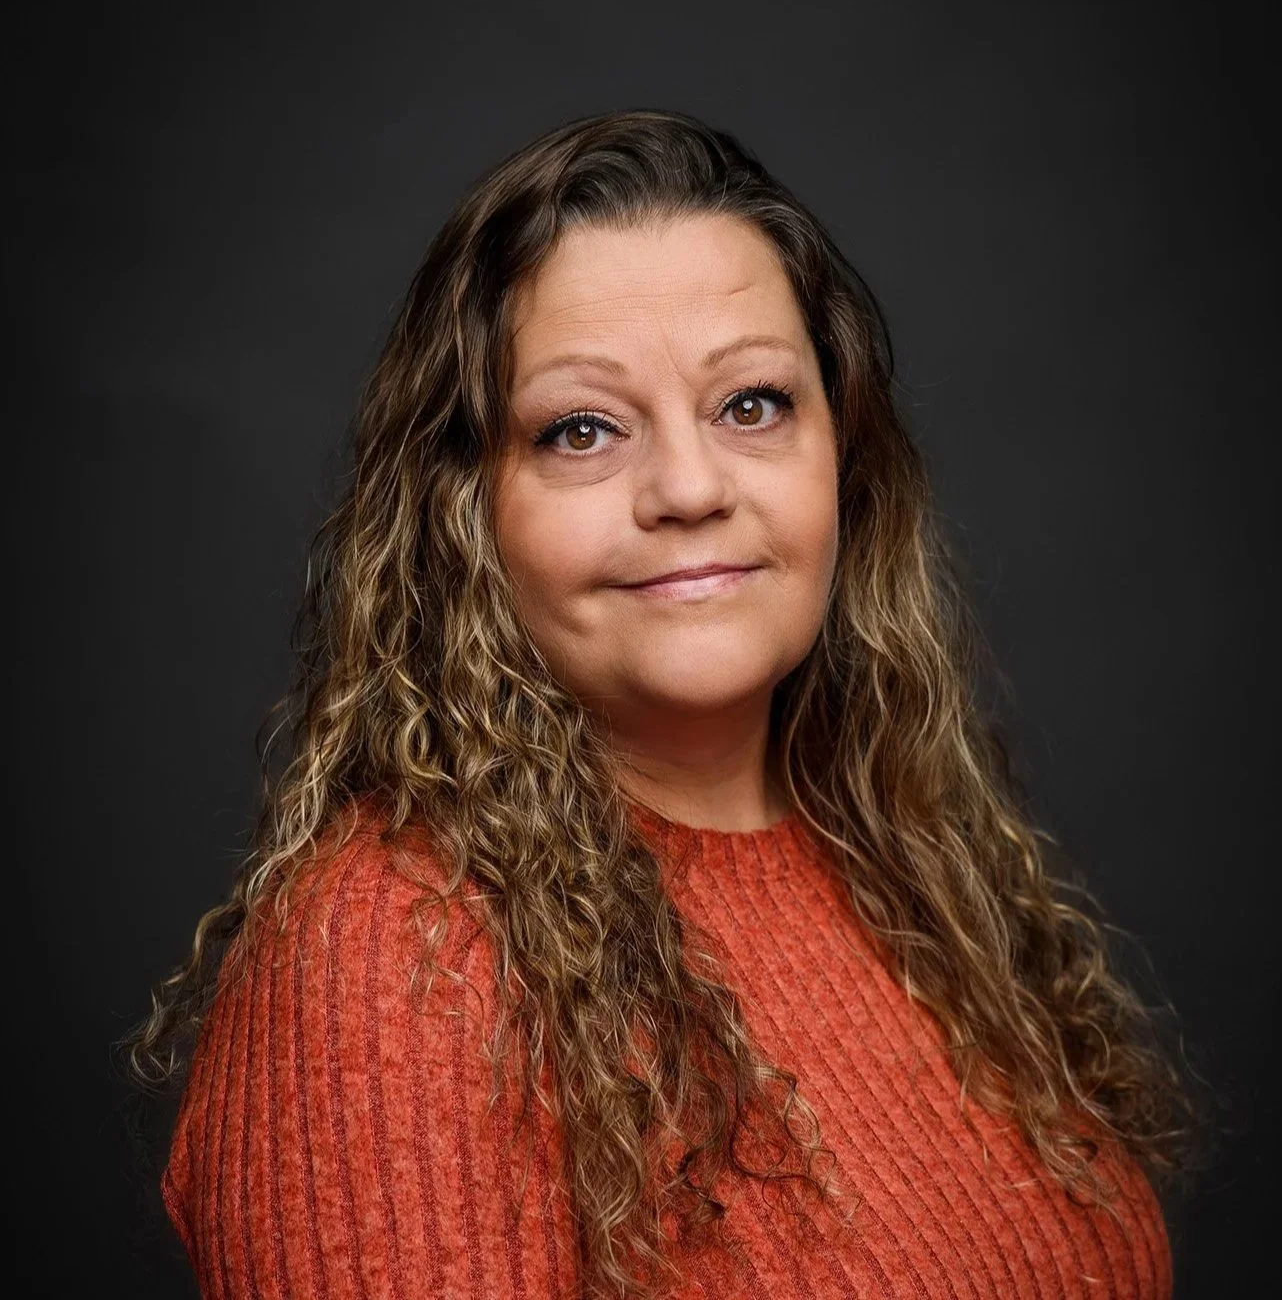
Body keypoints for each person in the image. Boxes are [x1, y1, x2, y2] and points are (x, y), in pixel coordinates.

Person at [120, 108, 1195, 1299]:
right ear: (465, 517)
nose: (688, 487)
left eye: (752, 405)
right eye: (582, 430)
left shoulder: (917, 863)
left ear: (847, 452)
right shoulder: (395, 961)